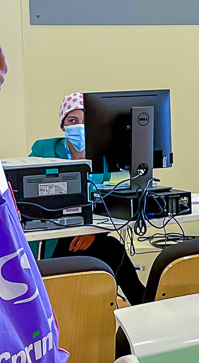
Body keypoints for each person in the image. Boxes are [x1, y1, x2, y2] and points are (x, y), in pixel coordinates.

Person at [30, 93, 145, 305]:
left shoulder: (106, 154)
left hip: (90, 232)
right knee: (112, 250)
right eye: (72, 120)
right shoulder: (44, 150)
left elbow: (113, 196)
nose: (79, 126)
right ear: (63, 125)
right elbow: (26, 191)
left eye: (85, 120)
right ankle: (143, 303)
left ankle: (137, 303)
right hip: (57, 234)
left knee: (112, 249)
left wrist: (94, 232)